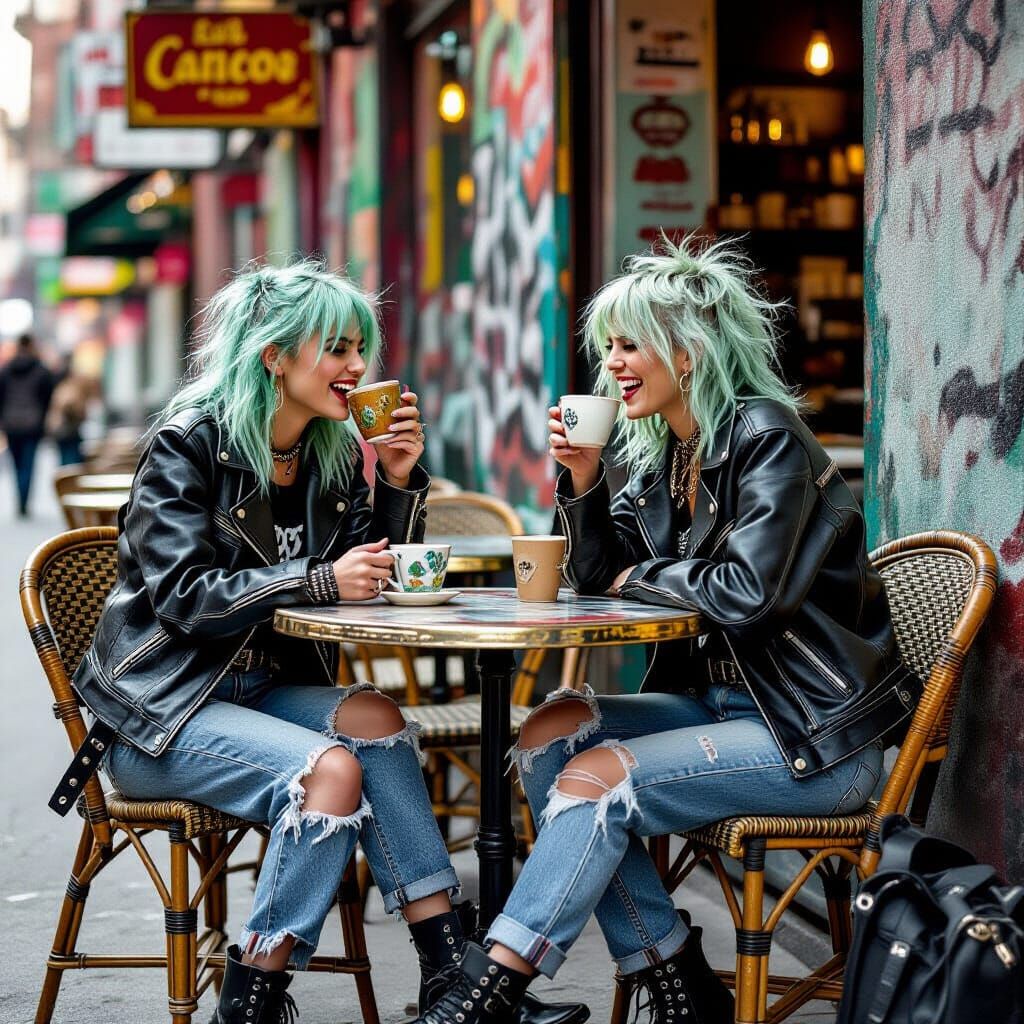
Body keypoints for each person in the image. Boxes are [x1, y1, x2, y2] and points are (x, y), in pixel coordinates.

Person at [408, 237, 923, 1024]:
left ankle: (492, 986)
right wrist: (582, 477)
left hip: (811, 738)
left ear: (687, 351)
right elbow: (591, 576)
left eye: (627, 344)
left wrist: (638, 577)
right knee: (549, 735)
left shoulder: (766, 439)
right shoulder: (663, 454)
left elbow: (747, 595)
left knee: (599, 780)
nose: (611, 363)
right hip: (724, 711)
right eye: (607, 346)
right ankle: (676, 974)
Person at [63, 261, 586, 1024]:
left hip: (262, 695)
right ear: (275, 355)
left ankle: (454, 980)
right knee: (329, 775)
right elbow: (183, 598)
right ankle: (251, 1002)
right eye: (336, 348)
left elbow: (368, 577)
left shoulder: (329, 453)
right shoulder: (187, 444)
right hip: (162, 714)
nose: (356, 367)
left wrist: (400, 481)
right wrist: (313, 582)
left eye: (358, 349)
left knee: (376, 718)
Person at [0, 333, 55, 516]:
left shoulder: (6, 370)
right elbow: (48, 397)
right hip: (33, 424)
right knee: (28, 464)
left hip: (11, 423)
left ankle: (20, 499)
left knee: (16, 464)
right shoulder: (41, 370)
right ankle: (24, 501)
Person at [46, 357, 95, 465]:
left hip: (60, 430)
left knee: (64, 458)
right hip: (70, 430)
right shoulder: (73, 389)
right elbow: (76, 409)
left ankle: (65, 478)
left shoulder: (60, 389)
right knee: (72, 459)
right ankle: (69, 479)